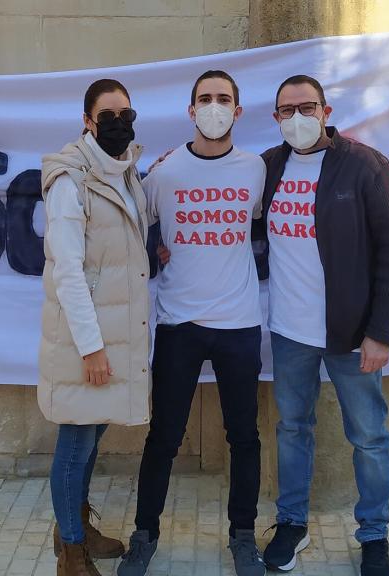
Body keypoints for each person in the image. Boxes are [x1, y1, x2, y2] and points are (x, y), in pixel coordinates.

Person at [257, 75, 389, 576]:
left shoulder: (363, 165)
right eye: (286, 110)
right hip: (289, 331)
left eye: (306, 107)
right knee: (293, 428)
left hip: (350, 335)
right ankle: (291, 523)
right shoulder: (268, 167)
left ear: (325, 110)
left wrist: (380, 331)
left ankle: (373, 535)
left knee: (369, 436)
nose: (296, 118)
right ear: (275, 117)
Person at [117, 70, 266, 576]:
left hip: (240, 323)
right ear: (190, 110)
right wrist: (152, 254)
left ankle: (242, 536)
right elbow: (131, 226)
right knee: (164, 435)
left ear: (239, 111)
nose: (214, 106)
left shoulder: (255, 171)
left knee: (243, 436)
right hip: (178, 323)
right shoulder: (165, 171)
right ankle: (144, 533)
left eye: (224, 99)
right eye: (205, 99)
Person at [39, 78, 152, 576]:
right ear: (87, 121)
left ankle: (78, 529)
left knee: (89, 439)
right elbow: (67, 271)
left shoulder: (126, 173)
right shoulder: (71, 182)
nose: (118, 123)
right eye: (107, 115)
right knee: (75, 444)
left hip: (116, 334)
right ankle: (70, 552)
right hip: (90, 340)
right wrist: (92, 348)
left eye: (126, 113)